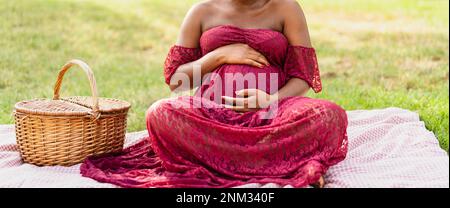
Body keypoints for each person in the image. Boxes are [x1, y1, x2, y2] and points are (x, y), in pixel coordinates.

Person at [81, 0, 348, 188]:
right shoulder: (202, 11)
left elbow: (303, 76)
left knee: (330, 115)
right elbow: (177, 82)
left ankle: (226, 161)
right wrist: (218, 56)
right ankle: (270, 162)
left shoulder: (286, 8)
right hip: (212, 117)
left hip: (272, 116)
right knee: (159, 113)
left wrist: (270, 99)